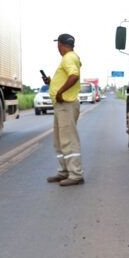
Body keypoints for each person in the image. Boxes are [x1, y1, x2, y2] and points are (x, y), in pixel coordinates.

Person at [43, 33, 85, 186]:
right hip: (62, 106)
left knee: (69, 140)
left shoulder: (68, 58)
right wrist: (52, 82)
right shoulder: (71, 57)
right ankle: (64, 172)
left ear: (60, 44)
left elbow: (73, 76)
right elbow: (69, 76)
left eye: (58, 45)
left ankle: (76, 175)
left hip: (66, 104)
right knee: (59, 141)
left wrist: (60, 92)